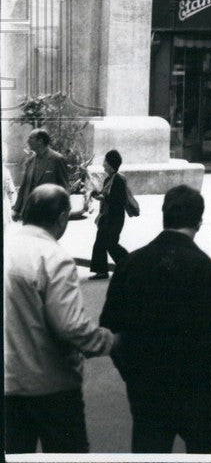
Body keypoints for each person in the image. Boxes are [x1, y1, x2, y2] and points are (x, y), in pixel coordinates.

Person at [99, 184, 211, 453]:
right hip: (197, 392)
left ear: (164, 216)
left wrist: (131, 372)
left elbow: (109, 327)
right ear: (199, 222)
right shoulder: (203, 267)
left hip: (147, 389)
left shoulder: (132, 264)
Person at [4, 184, 116, 453]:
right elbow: (70, 326)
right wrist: (108, 341)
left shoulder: (7, 248)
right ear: (62, 218)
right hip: (52, 387)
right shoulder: (53, 257)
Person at [88, 149, 130, 280]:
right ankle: (105, 270)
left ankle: (128, 264)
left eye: (105, 161)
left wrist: (103, 198)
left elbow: (117, 200)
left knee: (109, 243)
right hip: (107, 216)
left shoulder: (118, 179)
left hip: (114, 217)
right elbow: (104, 195)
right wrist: (94, 194)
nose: (103, 164)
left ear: (110, 164)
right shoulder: (108, 180)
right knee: (103, 242)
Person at [12, 128, 70, 221]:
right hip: (29, 212)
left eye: (31, 138)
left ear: (40, 141)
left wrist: (63, 213)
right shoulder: (31, 160)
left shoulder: (57, 159)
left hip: (49, 213)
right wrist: (17, 209)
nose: (27, 141)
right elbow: (24, 187)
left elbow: (64, 187)